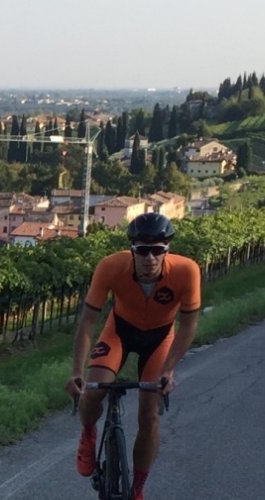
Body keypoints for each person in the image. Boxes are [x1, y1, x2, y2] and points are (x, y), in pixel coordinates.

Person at [64, 212, 201, 500]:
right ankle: (88, 432)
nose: (150, 258)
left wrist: (168, 372)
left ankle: (137, 488)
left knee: (149, 414)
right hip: (119, 332)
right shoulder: (111, 267)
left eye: (157, 250)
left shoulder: (187, 271)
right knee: (92, 391)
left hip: (160, 338)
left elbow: (188, 326)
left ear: (167, 250)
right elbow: (88, 322)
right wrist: (77, 372)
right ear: (132, 250)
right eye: (142, 250)